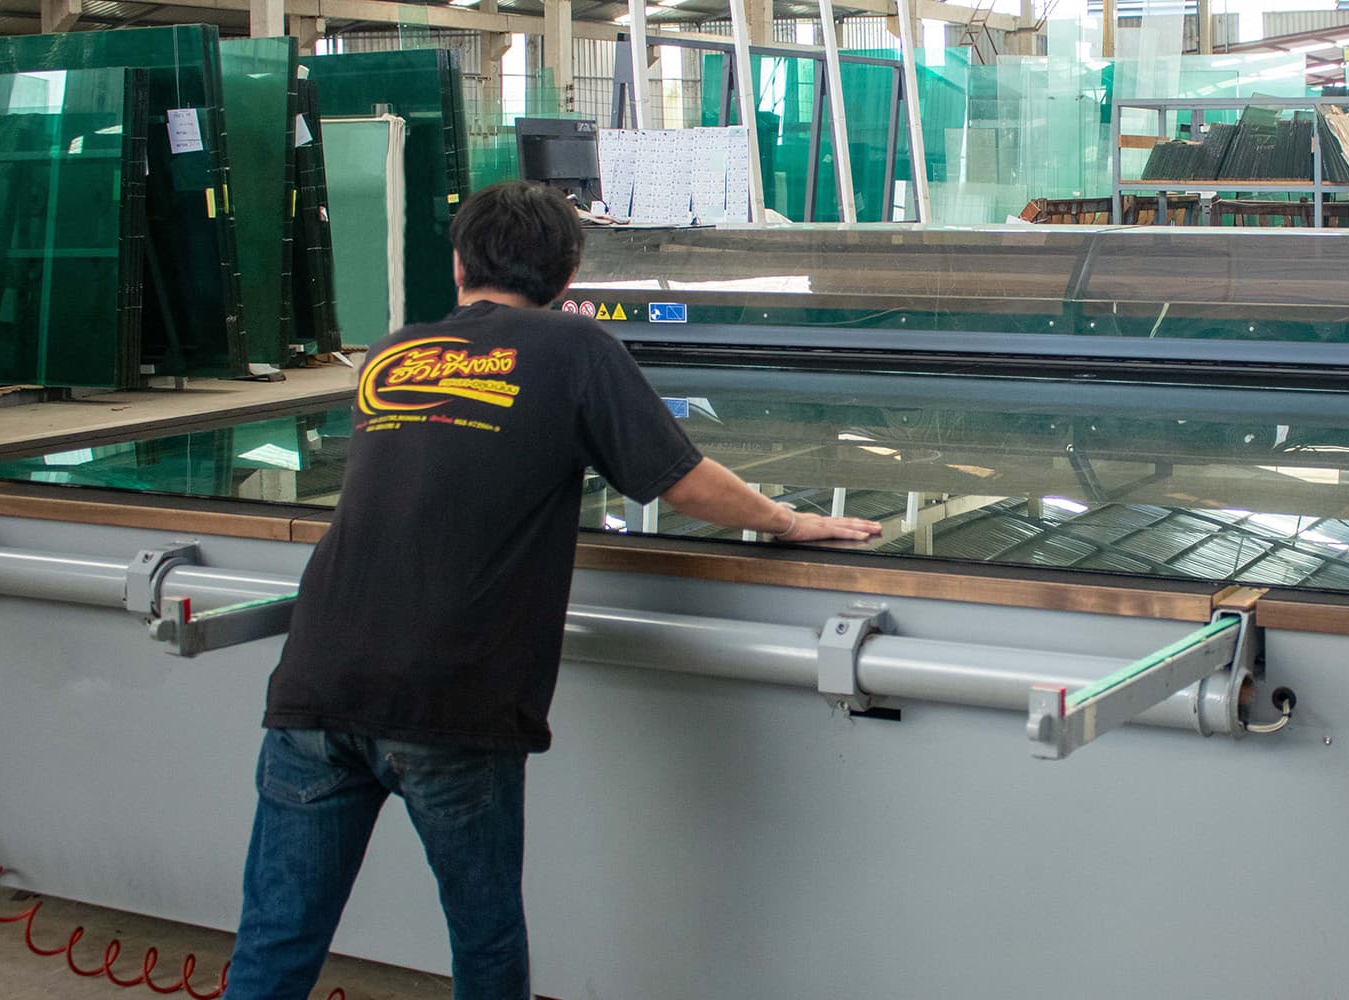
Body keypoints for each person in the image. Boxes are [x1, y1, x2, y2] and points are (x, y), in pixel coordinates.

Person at [224, 182, 882, 999]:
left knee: (276, 942)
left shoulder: (391, 354)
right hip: (451, 696)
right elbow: (680, 482)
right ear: (569, 276)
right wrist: (788, 522)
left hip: (314, 684)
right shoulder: (575, 350)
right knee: (485, 939)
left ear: (459, 265)